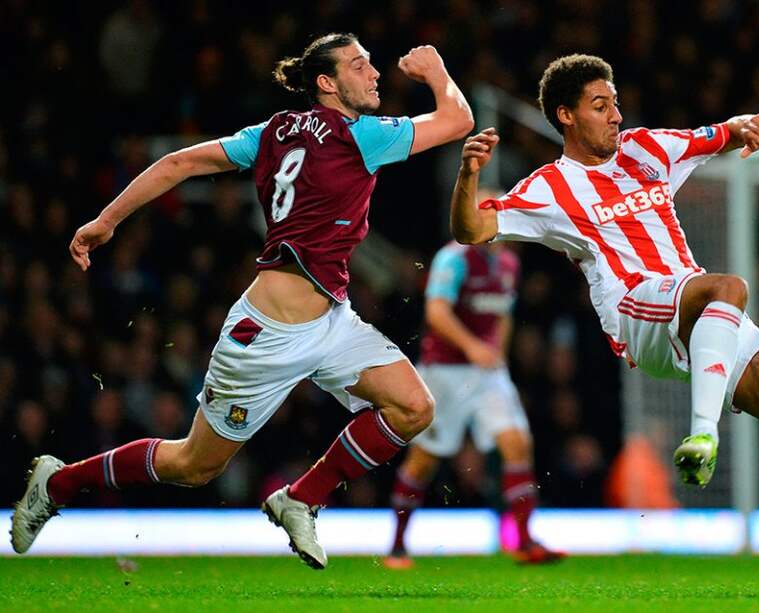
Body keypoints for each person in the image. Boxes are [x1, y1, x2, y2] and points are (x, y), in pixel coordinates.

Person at [11, 32, 474, 569]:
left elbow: (178, 163)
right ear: (326, 84)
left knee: (414, 406)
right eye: (359, 65)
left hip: (331, 318)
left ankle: (300, 499)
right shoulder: (361, 136)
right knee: (193, 464)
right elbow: (458, 119)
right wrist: (436, 69)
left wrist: (106, 220)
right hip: (266, 334)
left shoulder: (273, 132)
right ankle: (57, 482)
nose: (374, 74)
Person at [448, 54, 759, 596]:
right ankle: (703, 435)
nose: (616, 115)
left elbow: (719, 135)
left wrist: (747, 124)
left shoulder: (648, 148)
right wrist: (468, 175)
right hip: (634, 312)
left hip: (696, 313)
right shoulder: (550, 187)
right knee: (729, 287)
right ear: (566, 116)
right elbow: (471, 229)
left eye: (615, 103)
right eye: (601, 106)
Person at [383, 231, 564, 568]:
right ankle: (397, 545)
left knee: (517, 443)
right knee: (424, 460)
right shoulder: (453, 258)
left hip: (486, 373)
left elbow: (504, 314)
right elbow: (436, 313)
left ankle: (524, 541)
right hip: (445, 372)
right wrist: (471, 346)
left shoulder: (509, 262)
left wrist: (499, 354)